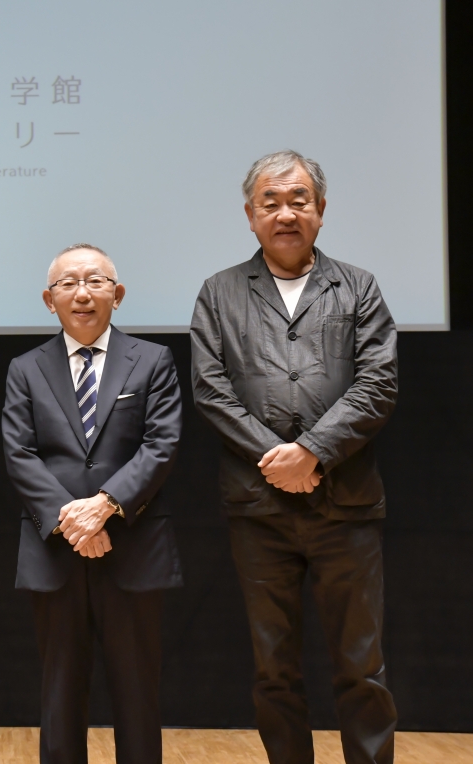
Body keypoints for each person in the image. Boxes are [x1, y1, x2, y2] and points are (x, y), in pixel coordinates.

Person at [190, 150, 398, 764]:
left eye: (298, 200)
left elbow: (379, 383)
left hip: (347, 506)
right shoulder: (220, 292)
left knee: (362, 666)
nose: (285, 214)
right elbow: (210, 389)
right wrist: (278, 460)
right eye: (271, 203)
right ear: (250, 215)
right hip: (259, 508)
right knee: (274, 669)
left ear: (321, 210)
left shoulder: (358, 286)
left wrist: (312, 452)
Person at [1, 244, 182, 764]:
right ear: (49, 300)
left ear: (117, 294)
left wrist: (104, 506)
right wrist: (73, 522)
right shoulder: (25, 368)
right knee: (60, 693)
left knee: (138, 692)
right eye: (68, 284)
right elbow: (19, 453)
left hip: (134, 545)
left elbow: (161, 445)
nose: (82, 294)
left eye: (95, 281)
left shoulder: (152, 360)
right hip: (56, 551)